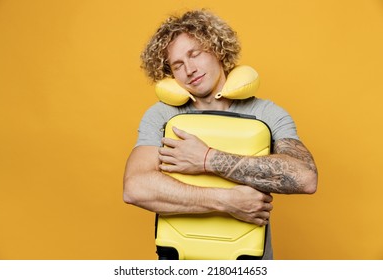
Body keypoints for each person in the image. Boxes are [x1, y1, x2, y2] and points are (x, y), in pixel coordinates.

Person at [123, 9, 318, 260]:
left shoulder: (267, 114)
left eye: (195, 54)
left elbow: (305, 178)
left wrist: (206, 159)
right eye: (178, 65)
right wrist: (226, 201)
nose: (190, 70)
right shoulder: (162, 116)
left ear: (217, 49)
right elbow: (135, 188)